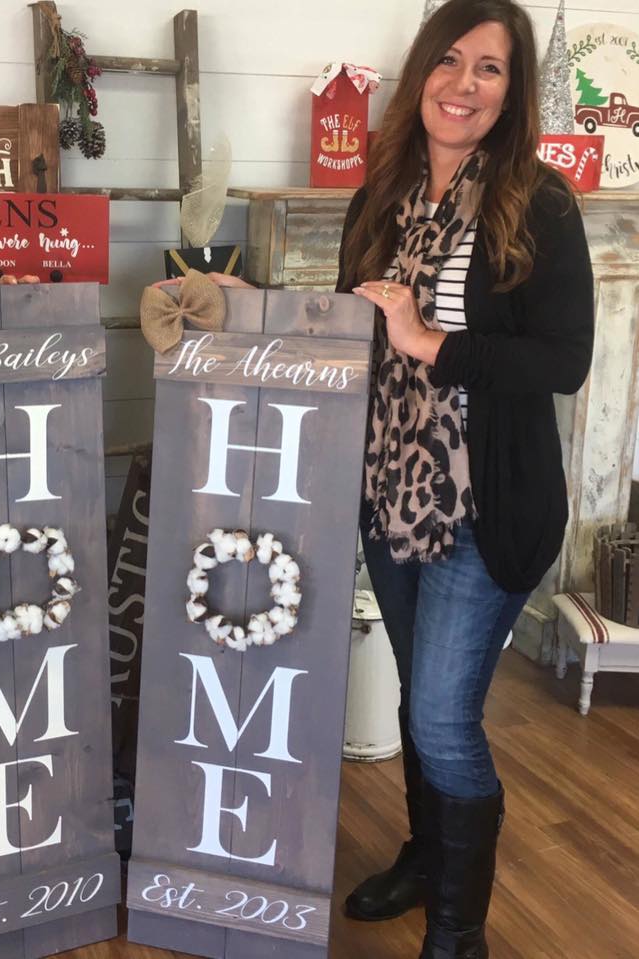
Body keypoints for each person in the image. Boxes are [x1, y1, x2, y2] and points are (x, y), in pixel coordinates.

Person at [336, 1, 593, 957]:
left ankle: (458, 934)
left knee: (444, 718)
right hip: (390, 493)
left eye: (489, 68)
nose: (463, 84)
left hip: (487, 506)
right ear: (421, 74)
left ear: (512, 90)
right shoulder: (382, 192)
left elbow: (563, 360)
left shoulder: (538, 201)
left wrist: (433, 341)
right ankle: (425, 857)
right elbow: (350, 321)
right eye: (448, 61)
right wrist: (245, 307)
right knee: (418, 696)